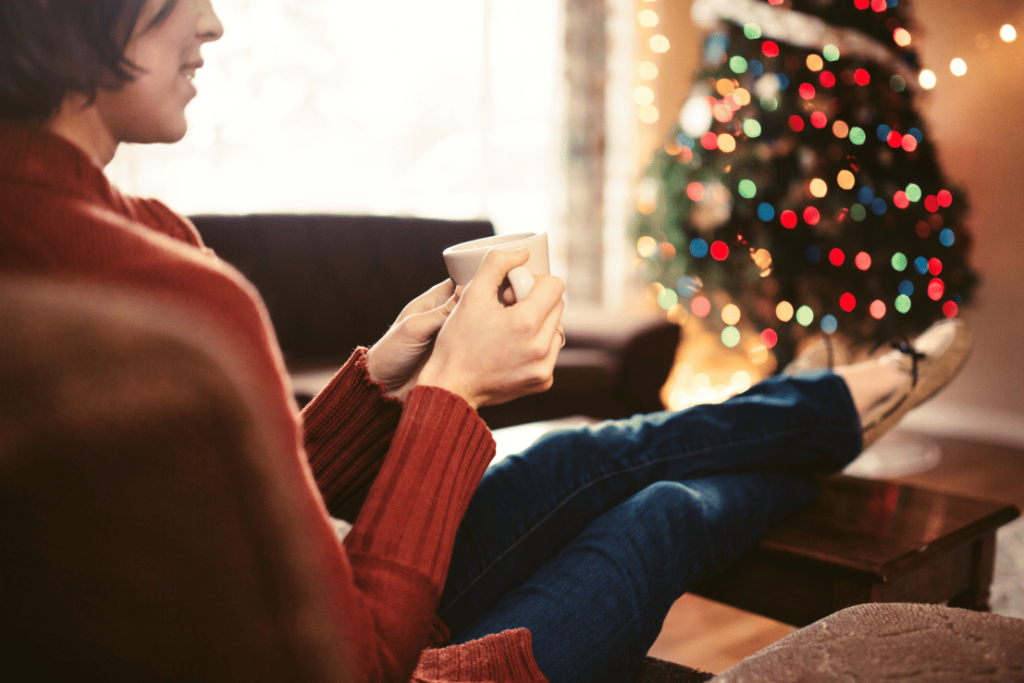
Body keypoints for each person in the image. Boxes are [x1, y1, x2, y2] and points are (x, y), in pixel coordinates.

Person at [0, 1, 972, 682]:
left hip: (307, 607)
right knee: (665, 509)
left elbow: (231, 509)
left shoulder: (128, 232)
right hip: (380, 658)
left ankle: (826, 412)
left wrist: (379, 377)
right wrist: (450, 396)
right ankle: (825, 423)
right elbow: (357, 661)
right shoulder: (165, 292)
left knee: (578, 450)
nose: (211, 21)